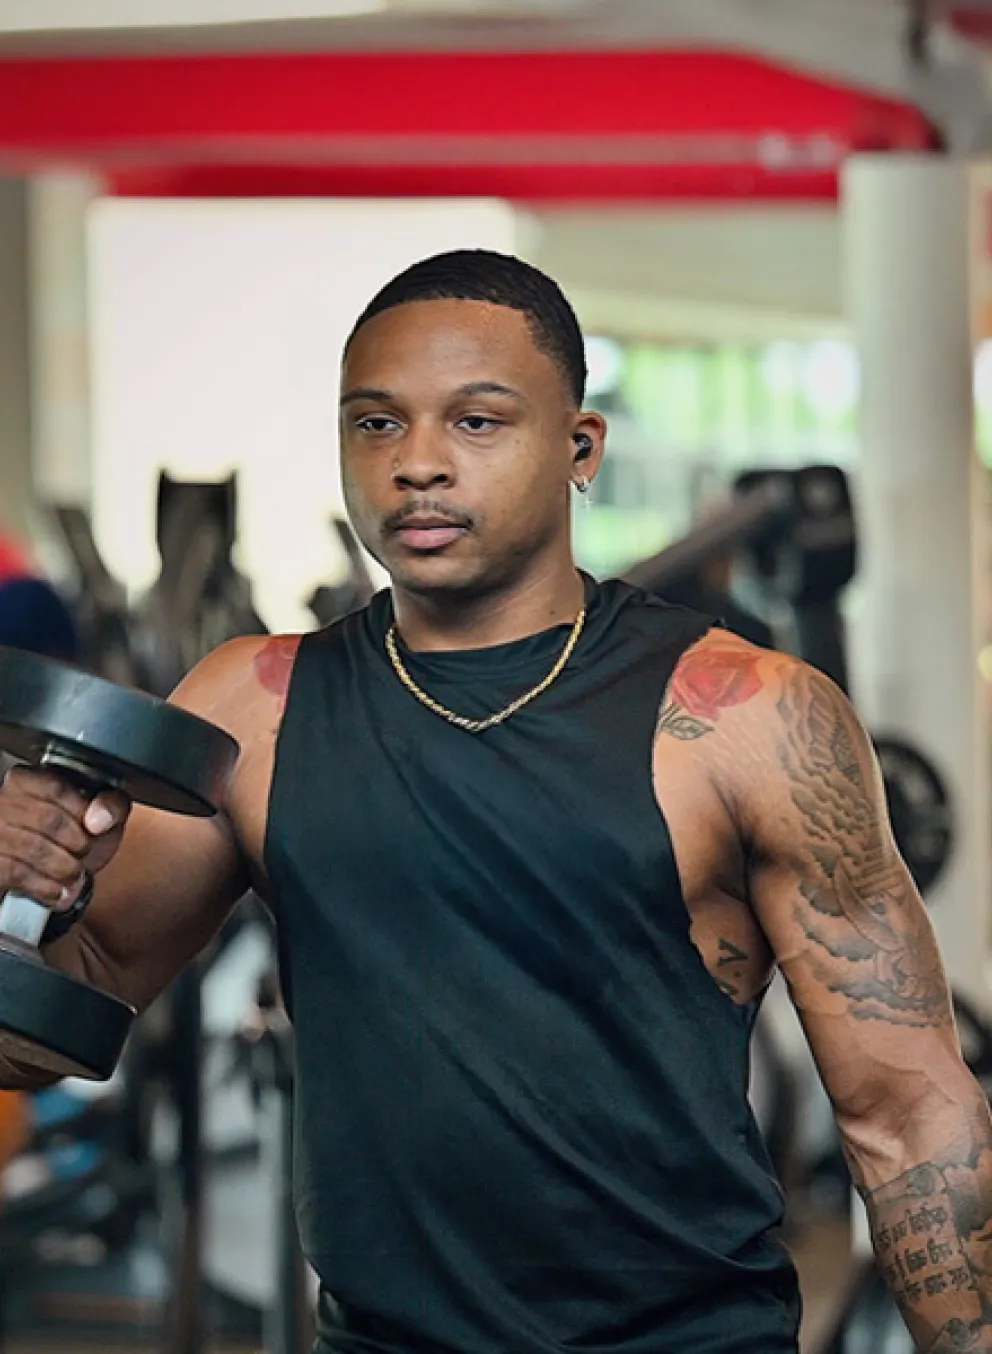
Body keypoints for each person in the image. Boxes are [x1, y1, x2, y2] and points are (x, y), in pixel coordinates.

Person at [0, 250, 987, 1354]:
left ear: (580, 449)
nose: (416, 463)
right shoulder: (255, 708)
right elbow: (49, 1032)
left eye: (474, 422)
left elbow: (904, 1118)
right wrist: (12, 889)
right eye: (374, 424)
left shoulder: (747, 716)